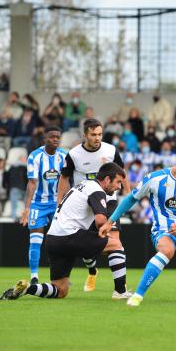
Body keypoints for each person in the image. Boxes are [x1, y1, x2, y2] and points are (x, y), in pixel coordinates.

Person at [102, 147, 176, 307]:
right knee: (167, 250)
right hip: (162, 230)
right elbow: (131, 199)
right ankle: (138, 295)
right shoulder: (155, 178)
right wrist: (110, 221)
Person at [0, 163, 127, 301]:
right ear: (107, 179)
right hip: (70, 236)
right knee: (116, 245)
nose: (119, 187)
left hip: (53, 240)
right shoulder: (96, 190)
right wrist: (105, 232)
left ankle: (28, 288)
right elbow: (100, 221)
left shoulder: (82, 185)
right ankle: (120, 292)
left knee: (60, 290)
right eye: (118, 182)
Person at [58, 118, 131, 297]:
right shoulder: (74, 154)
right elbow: (64, 178)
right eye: (93, 135)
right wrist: (59, 203)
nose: (97, 138)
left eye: (99, 134)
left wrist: (129, 195)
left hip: (109, 200)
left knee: (115, 242)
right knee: (87, 246)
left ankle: (119, 289)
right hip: (83, 203)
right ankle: (92, 271)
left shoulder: (111, 150)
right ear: (85, 135)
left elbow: (122, 173)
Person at [20, 127, 66, 284]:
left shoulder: (64, 156)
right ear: (45, 138)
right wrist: (26, 208)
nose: (56, 139)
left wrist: (64, 202)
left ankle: (61, 275)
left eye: (58, 137)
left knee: (61, 241)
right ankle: (34, 276)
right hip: (37, 204)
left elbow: (67, 181)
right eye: (52, 136)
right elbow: (32, 183)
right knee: (36, 240)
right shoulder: (35, 156)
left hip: (56, 203)